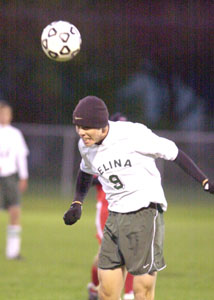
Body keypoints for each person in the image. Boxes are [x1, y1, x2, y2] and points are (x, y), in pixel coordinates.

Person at [63, 96, 214, 300]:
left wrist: (204, 181)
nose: (81, 132)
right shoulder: (86, 144)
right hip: (114, 217)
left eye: (86, 127)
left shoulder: (133, 134)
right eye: (78, 126)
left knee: (141, 293)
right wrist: (77, 202)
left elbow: (174, 153)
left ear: (101, 124)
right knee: (106, 292)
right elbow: (85, 171)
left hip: (145, 214)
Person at [88, 113, 134, 300]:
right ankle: (94, 287)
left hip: (130, 209)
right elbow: (89, 178)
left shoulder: (133, 149)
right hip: (107, 210)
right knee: (103, 256)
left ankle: (129, 295)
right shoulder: (100, 150)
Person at [0, 101, 29, 260]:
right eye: (1, 113)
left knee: (15, 212)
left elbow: (21, 156)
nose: (4, 117)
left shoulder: (15, 134)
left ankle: (13, 252)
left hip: (10, 177)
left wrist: (23, 176)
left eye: (6, 114)